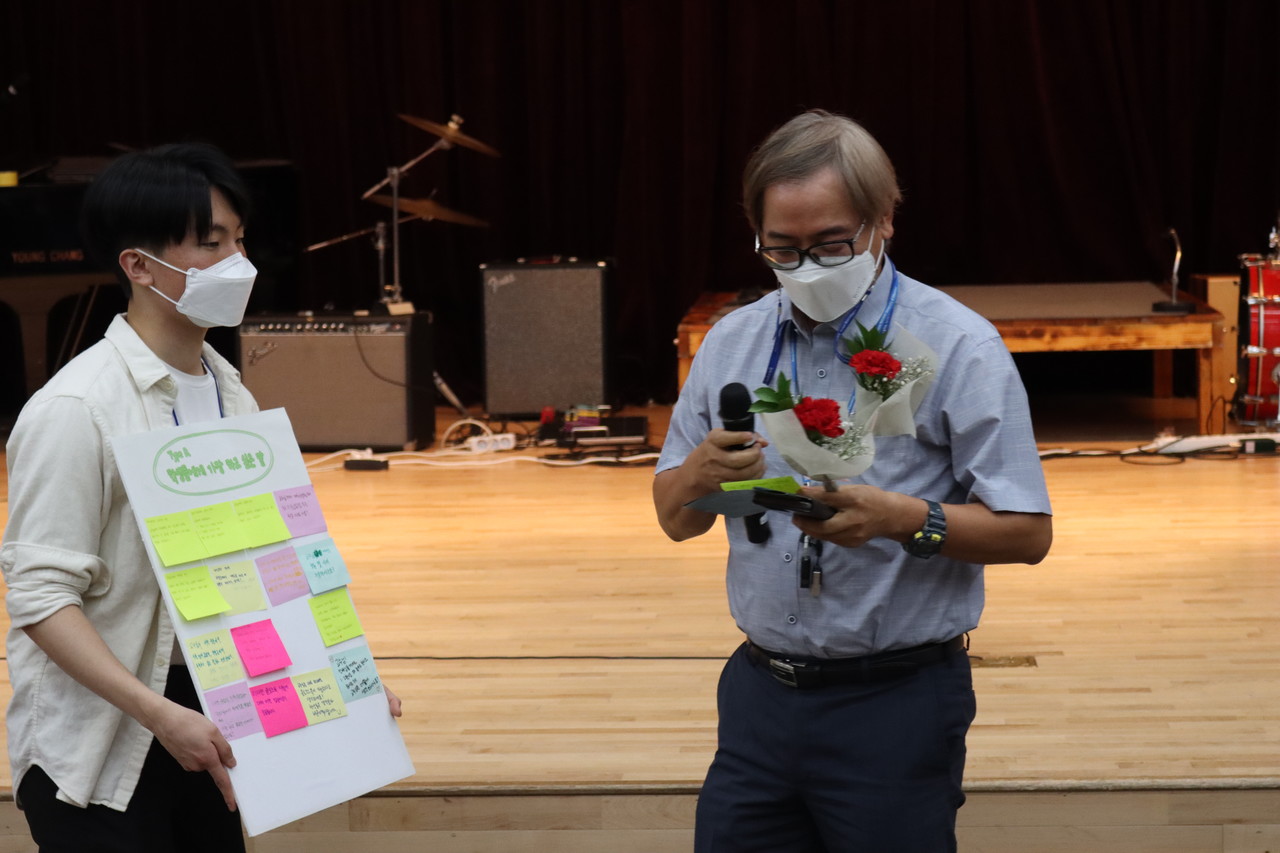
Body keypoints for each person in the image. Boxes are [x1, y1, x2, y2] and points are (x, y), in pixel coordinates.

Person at [653, 110, 1053, 852]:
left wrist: (904, 517)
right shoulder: (732, 341)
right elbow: (675, 516)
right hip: (758, 699)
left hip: (895, 703)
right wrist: (696, 477)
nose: (806, 266)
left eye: (831, 244)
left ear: (883, 223)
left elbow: (1028, 532)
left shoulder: (959, 344)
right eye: (783, 248)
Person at [1, 142, 398, 852]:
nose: (238, 262)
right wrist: (159, 713)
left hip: (214, 715)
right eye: (211, 244)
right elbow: (38, 598)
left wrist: (345, 686)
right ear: (139, 265)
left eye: (239, 239)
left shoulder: (231, 391)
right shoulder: (76, 408)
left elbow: (264, 561)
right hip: (103, 745)